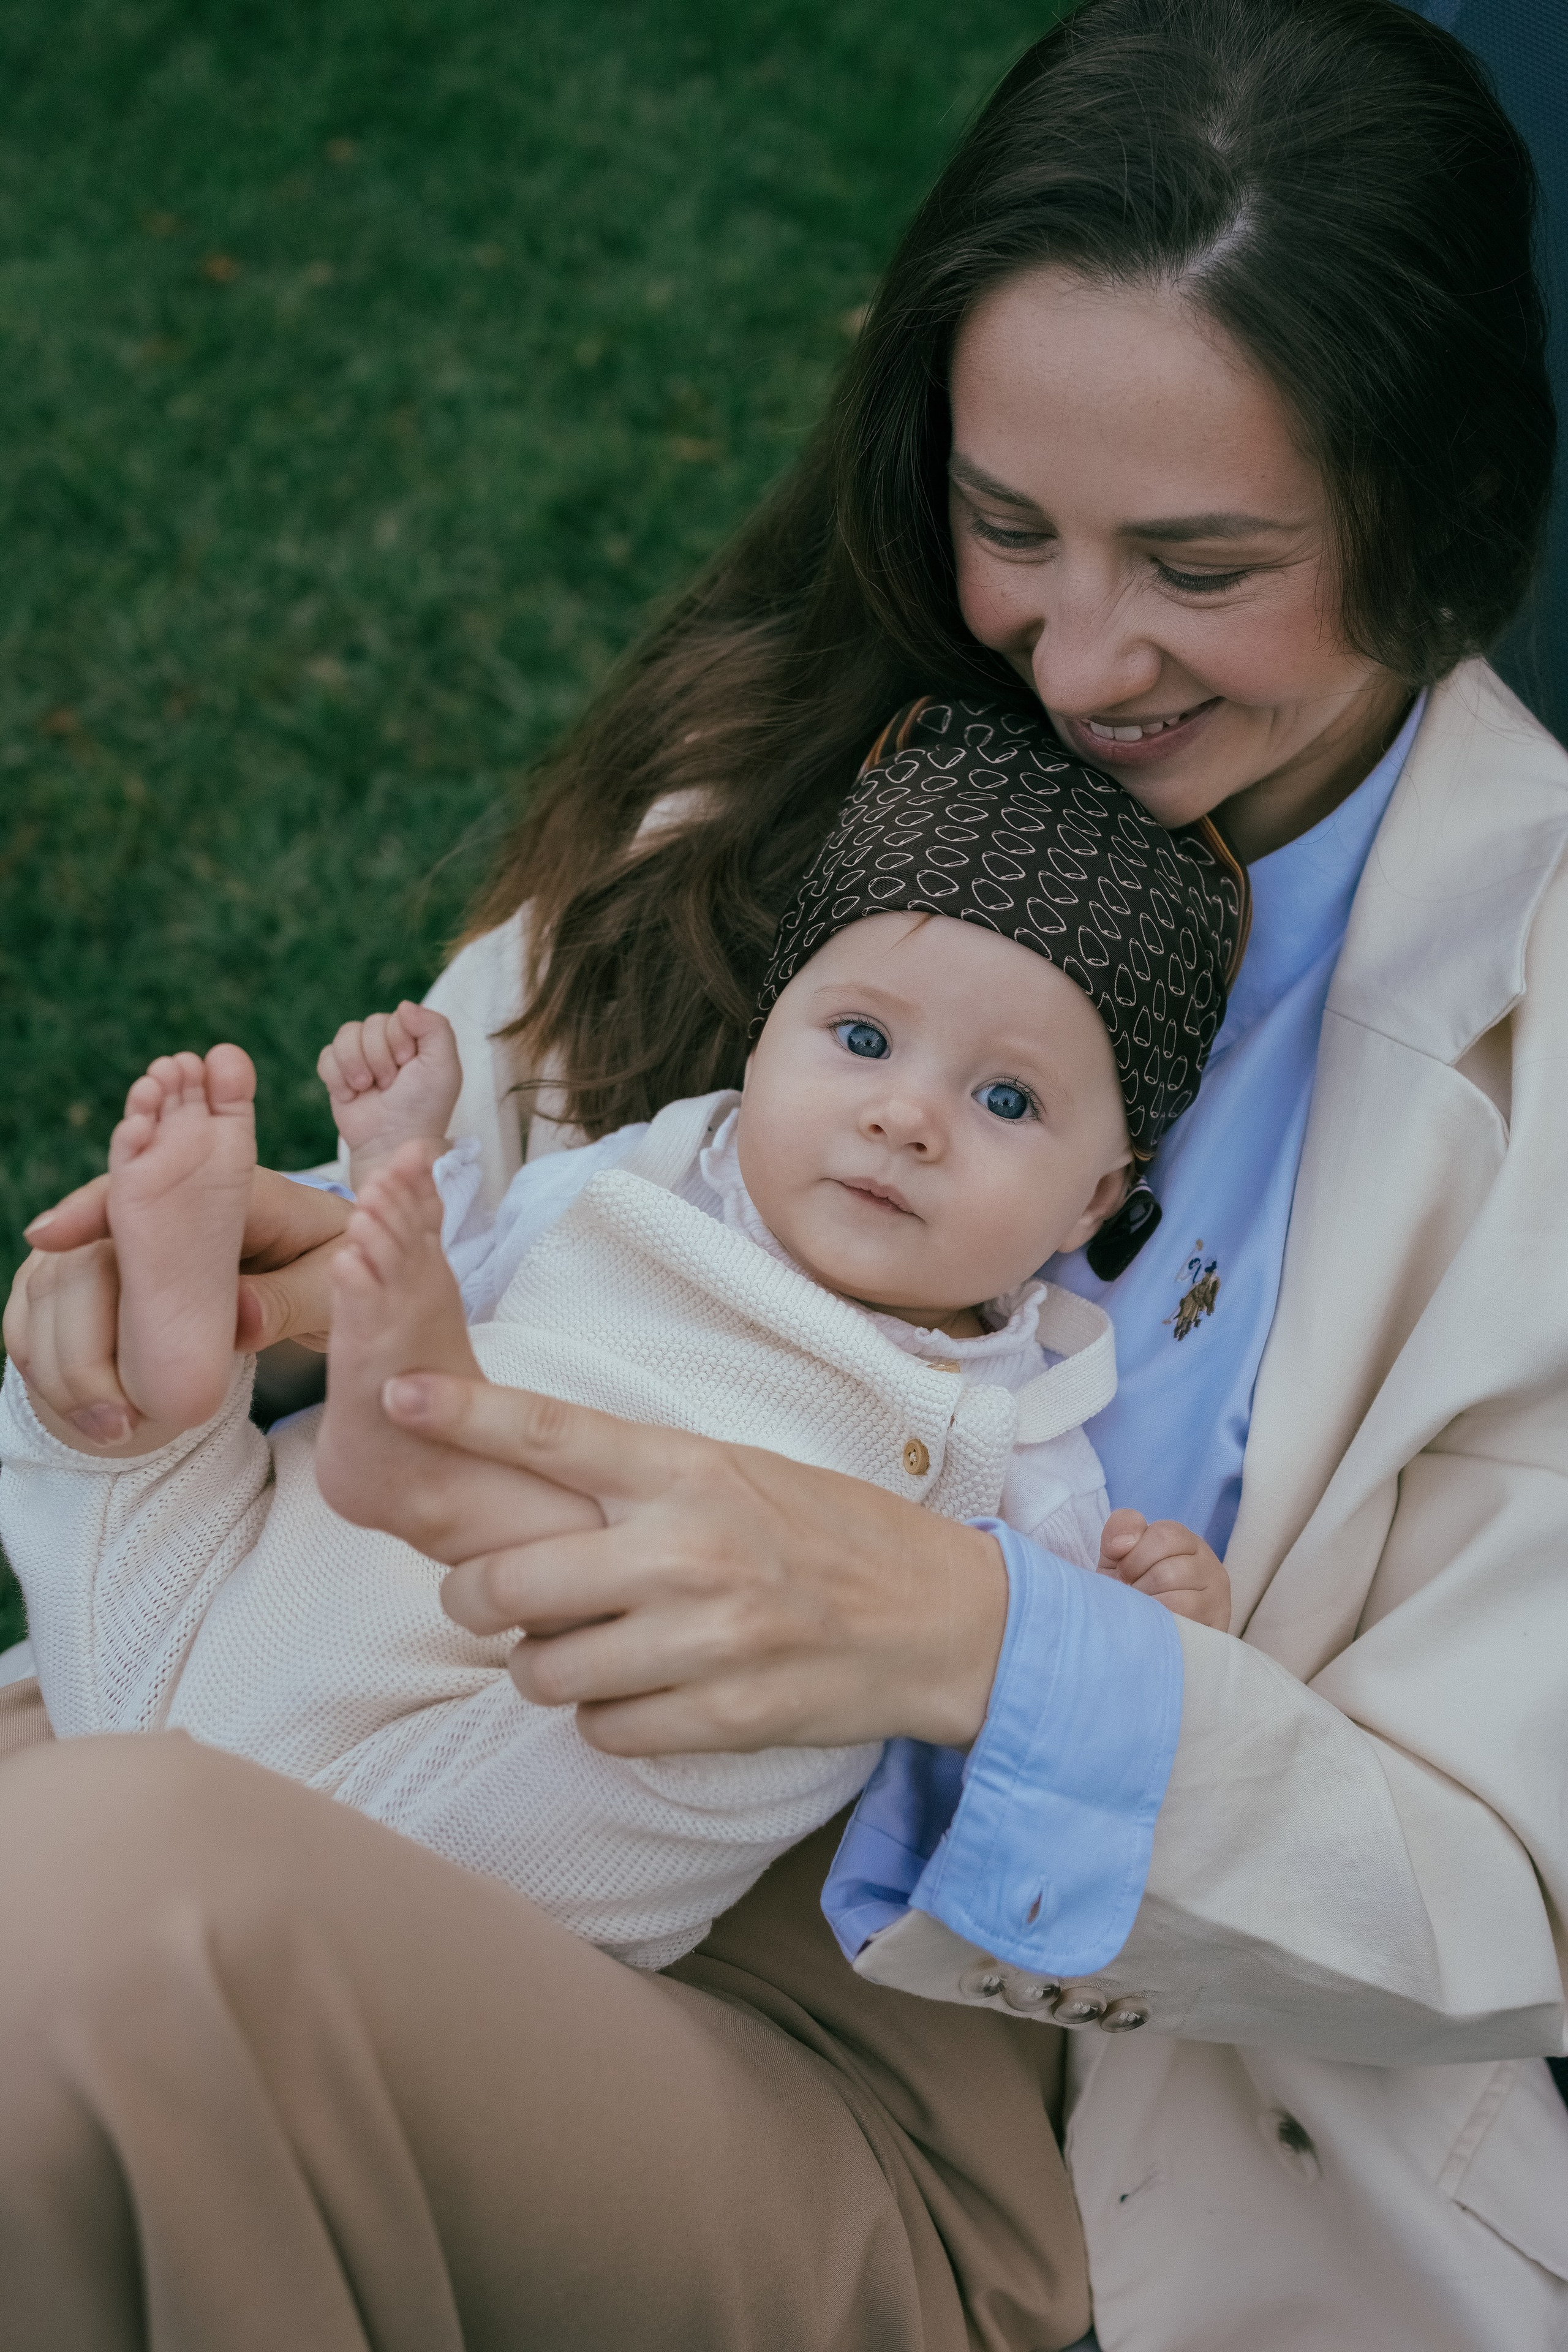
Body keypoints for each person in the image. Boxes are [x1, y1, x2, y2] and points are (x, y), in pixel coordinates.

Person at [1, 0, 1565, 2344]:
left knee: (98, 1927)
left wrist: (966, 1640)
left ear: (1436, 518)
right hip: (383, 1754)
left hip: (990, 2102)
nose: (1078, 652)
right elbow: (529, 1240)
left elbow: (1506, 1894)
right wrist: (294, 1283)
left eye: (1206, 565)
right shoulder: (820, 752)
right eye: (1010, 523)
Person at [1, 701, 1240, 1966]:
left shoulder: (1020, 1413)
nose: (905, 1118)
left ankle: (419, 1430)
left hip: (495, 1799)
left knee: (782, 1719)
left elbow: (1026, 1667)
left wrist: (1146, 1618)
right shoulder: (630, 1177)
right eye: (861, 1040)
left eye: (1004, 1100)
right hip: (272, 1620)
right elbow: (475, 1272)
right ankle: (176, 1377)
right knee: (110, 1458)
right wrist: (398, 1168)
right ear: (763, 1041)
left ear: (1092, 1198)